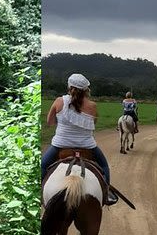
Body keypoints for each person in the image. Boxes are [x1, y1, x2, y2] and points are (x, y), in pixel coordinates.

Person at [41, 73, 118, 205]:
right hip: (87, 146)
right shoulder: (92, 106)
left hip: (60, 145)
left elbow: (50, 122)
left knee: (42, 166)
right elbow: (93, 125)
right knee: (104, 165)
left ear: (70, 87)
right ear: (86, 89)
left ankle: (38, 192)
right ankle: (106, 193)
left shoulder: (59, 101)